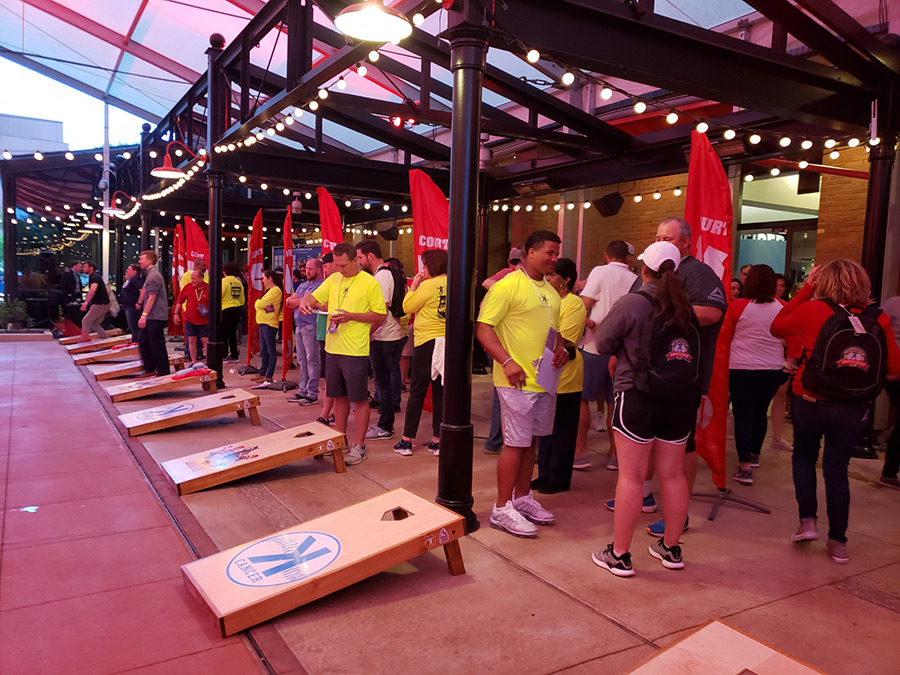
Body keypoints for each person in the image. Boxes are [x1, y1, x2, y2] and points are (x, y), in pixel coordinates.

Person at [771, 260, 900, 563]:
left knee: (804, 456)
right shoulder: (877, 318)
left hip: (810, 398)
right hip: (853, 406)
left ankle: (807, 522)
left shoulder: (812, 310)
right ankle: (838, 542)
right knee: (837, 470)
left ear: (823, 283)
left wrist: (807, 290)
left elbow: (777, 327)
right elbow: (894, 368)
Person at [591, 241, 696, 577]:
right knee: (675, 475)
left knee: (632, 477)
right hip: (679, 400)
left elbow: (602, 342)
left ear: (643, 269)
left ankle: (619, 554)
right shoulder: (685, 306)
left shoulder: (634, 303)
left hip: (637, 396)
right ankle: (671, 548)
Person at [476, 230, 570, 538]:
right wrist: (506, 361)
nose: (555, 258)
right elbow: (484, 329)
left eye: (557, 253)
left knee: (531, 442)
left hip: (543, 381)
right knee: (515, 443)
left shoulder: (553, 293)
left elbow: (552, 335)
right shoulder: (507, 286)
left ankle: (522, 497)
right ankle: (502, 508)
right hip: (514, 380)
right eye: (550, 253)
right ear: (530, 253)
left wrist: (561, 350)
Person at [644, 217, 727, 538]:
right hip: (651, 373)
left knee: (682, 444)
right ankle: (645, 495)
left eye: (667, 237)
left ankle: (678, 513)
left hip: (684, 375)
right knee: (649, 439)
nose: (660, 241)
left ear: (685, 243)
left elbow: (712, 312)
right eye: (657, 236)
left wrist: (669, 313)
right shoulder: (658, 271)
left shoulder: (698, 272)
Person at [299, 243, 386, 465]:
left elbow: (379, 314)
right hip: (333, 347)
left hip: (355, 349)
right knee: (338, 396)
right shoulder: (334, 279)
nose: (340, 269)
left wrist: (352, 316)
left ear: (355, 260)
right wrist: (304, 302)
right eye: (336, 265)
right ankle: (339, 440)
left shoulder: (369, 282)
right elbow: (313, 296)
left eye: (344, 265)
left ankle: (360, 445)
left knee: (359, 398)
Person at [721, 265, 788, 485]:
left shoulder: (738, 306)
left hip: (742, 368)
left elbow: (725, 336)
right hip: (773, 368)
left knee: (743, 416)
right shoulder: (783, 307)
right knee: (760, 413)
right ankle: (754, 455)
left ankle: (744, 467)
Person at [575, 240, 638, 472]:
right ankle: (614, 455)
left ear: (606, 255)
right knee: (615, 403)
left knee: (583, 399)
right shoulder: (635, 279)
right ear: (628, 258)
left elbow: (583, 304)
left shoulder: (600, 271)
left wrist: (591, 323)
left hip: (594, 347)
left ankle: (580, 452)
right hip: (623, 352)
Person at [534, 257, 586, 493]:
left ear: (566, 280)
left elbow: (564, 338)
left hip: (566, 374)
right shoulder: (545, 300)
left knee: (563, 429)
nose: (547, 279)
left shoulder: (574, 303)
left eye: (552, 276)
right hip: (544, 372)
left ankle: (559, 477)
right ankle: (544, 472)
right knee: (545, 429)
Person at [393, 249, 447, 457]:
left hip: (426, 342)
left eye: (424, 265)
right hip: (446, 342)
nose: (422, 269)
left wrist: (413, 286)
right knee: (440, 391)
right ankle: (438, 440)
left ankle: (407, 440)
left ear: (431, 265)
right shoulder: (453, 282)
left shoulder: (428, 285)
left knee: (417, 391)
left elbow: (407, 307)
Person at [356, 240, 406, 440]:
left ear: (370, 256)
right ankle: (386, 423)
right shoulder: (389, 272)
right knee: (385, 381)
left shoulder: (381, 277)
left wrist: (368, 333)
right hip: (392, 335)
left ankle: (385, 426)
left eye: (360, 257)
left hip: (384, 337)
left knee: (382, 383)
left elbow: (380, 311)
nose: (359, 261)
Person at [285, 258, 324, 405]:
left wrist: (299, 301)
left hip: (310, 325)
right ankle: (303, 390)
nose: (307, 271)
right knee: (301, 360)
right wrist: (302, 301)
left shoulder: (321, 286)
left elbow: (310, 302)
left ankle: (312, 393)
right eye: (306, 268)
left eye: (310, 269)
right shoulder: (302, 285)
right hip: (299, 324)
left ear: (319, 270)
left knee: (311, 359)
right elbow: (289, 302)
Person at [136, 250, 170, 378]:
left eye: (142, 259)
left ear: (150, 260)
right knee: (144, 341)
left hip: (156, 316)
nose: (139, 261)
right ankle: (150, 369)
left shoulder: (153, 276)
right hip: (152, 315)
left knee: (156, 344)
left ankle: (162, 371)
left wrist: (144, 315)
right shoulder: (149, 275)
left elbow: (152, 297)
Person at [770, 272, 793, 450]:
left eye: (782, 286)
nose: (779, 288)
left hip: (783, 356)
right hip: (760, 358)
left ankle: (777, 437)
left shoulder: (788, 307)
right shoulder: (750, 304)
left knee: (781, 395)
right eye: (776, 285)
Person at [880, 295, 900, 489]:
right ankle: (890, 472)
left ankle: (890, 471)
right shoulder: (893, 304)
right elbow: (878, 333)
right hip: (896, 372)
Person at [253, 270, 283, 388]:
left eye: (264, 278)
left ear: (270, 278)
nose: (263, 280)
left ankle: (269, 374)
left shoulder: (276, 291)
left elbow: (261, 304)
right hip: (263, 322)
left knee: (271, 350)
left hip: (269, 323)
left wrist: (258, 303)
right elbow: (262, 304)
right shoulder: (269, 291)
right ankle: (263, 372)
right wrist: (260, 304)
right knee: (264, 349)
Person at [173, 269, 210, 364]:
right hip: (190, 319)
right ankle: (193, 361)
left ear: (201, 278)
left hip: (204, 320)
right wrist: (176, 313)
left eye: (194, 278)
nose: (192, 281)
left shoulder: (209, 288)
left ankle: (209, 361)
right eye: (191, 278)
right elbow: (179, 301)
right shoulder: (188, 287)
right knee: (191, 339)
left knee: (205, 340)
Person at [79, 261, 110, 342]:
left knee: (85, 321)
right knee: (95, 324)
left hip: (99, 304)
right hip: (104, 304)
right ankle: (107, 340)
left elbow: (93, 290)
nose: (83, 269)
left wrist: (85, 303)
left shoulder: (94, 277)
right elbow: (107, 290)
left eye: (85, 267)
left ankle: (83, 341)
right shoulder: (96, 276)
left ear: (91, 268)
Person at [221, 261, 245, 363]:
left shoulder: (224, 281)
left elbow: (219, 294)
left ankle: (224, 355)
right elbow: (242, 297)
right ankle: (234, 354)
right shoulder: (238, 282)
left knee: (223, 334)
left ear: (224, 271)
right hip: (237, 308)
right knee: (232, 333)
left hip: (225, 308)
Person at [119, 263, 144, 340]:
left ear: (135, 271)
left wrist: (139, 302)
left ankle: (137, 342)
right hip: (127, 306)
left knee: (134, 326)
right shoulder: (130, 280)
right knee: (131, 326)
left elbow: (142, 291)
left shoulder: (136, 279)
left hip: (132, 306)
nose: (127, 271)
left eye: (129, 270)